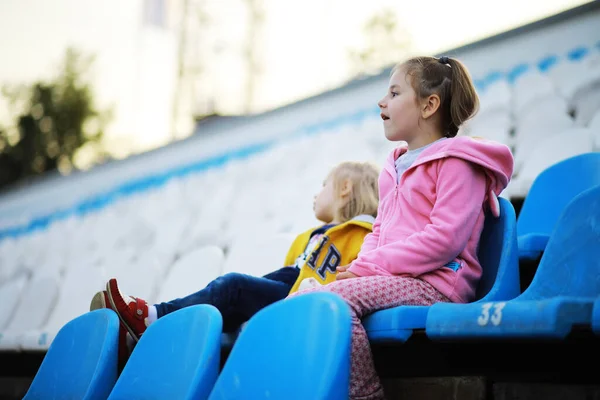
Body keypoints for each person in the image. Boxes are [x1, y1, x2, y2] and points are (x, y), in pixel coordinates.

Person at [288, 56, 514, 400]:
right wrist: (360, 269)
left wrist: (368, 269)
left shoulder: (458, 163)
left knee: (335, 300)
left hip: (436, 284)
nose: (382, 102)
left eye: (394, 93)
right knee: (304, 299)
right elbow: (377, 231)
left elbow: (444, 240)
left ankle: (366, 395)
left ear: (429, 105)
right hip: (395, 280)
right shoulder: (392, 168)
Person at [90, 161, 380, 365]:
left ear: (344, 188)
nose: (317, 193)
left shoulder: (363, 234)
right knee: (230, 299)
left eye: (324, 185)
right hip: (290, 291)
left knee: (233, 287)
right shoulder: (310, 236)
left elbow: (364, 275)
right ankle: (141, 339)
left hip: (308, 301)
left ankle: (150, 318)